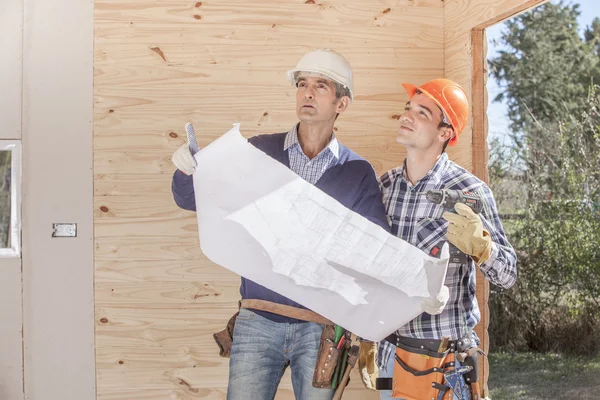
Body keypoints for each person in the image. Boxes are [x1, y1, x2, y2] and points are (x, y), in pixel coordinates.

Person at [171, 49, 393, 400]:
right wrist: (187, 171)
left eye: (320, 86)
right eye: (302, 84)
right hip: (259, 319)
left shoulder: (357, 172)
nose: (307, 92)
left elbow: (374, 246)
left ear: (341, 104)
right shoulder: (259, 152)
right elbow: (190, 198)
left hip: (322, 327)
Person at [358, 78, 518, 400]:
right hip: (392, 355)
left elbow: (508, 275)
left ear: (445, 133)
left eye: (422, 112)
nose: (407, 116)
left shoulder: (469, 192)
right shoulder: (383, 187)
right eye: (407, 109)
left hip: (446, 362)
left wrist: (484, 248)